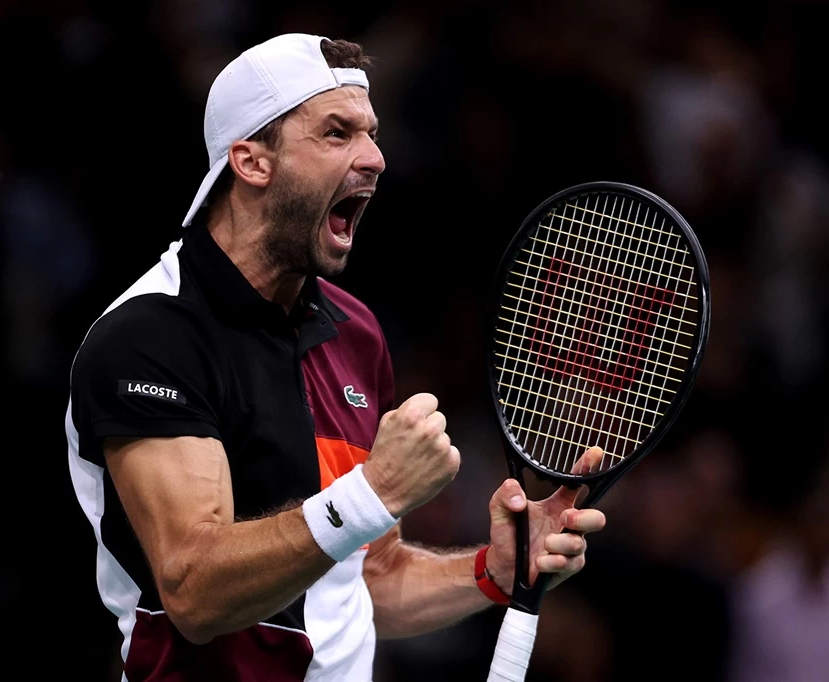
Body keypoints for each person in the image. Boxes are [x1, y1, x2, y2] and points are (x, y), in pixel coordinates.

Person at [65, 32, 606, 681]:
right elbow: (196, 594)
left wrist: (492, 569)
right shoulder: (149, 338)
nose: (375, 158)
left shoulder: (356, 333)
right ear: (252, 162)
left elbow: (367, 578)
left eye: (371, 134)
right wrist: (371, 492)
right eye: (336, 133)